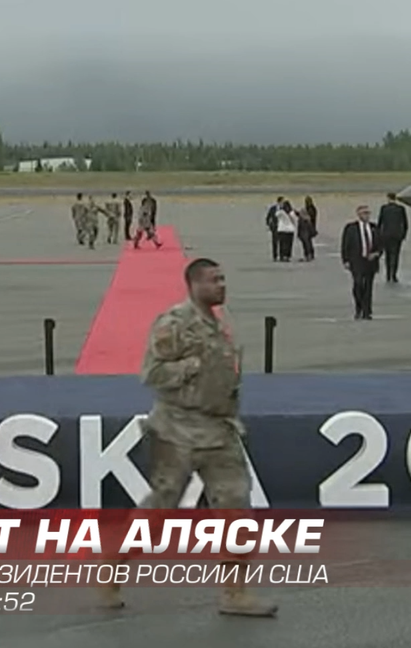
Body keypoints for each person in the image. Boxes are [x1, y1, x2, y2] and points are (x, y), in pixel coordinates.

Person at [95, 258, 276, 617]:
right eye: (213, 280)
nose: (221, 285)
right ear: (193, 285)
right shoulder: (175, 323)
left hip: (219, 430)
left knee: (237, 508)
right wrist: (191, 367)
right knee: (159, 511)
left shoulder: (221, 324)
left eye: (222, 279)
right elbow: (151, 373)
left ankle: (235, 592)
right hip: (177, 431)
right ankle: (112, 567)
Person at [340, 205, 380, 319]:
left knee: (368, 287)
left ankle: (367, 311)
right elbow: (345, 244)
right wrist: (345, 260)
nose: (366, 215)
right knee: (358, 284)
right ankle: (359, 306)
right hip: (356, 261)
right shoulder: (351, 228)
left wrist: (376, 253)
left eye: (368, 213)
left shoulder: (374, 227)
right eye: (364, 213)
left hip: (370, 262)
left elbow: (380, 244)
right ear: (358, 214)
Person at [376, 192, 409, 282]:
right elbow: (405, 223)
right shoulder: (401, 209)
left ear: (388, 198)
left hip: (386, 235)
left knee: (388, 255)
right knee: (396, 255)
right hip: (397, 235)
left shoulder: (384, 208)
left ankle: (388, 274)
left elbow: (380, 222)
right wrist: (403, 235)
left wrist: (378, 235)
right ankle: (394, 275)